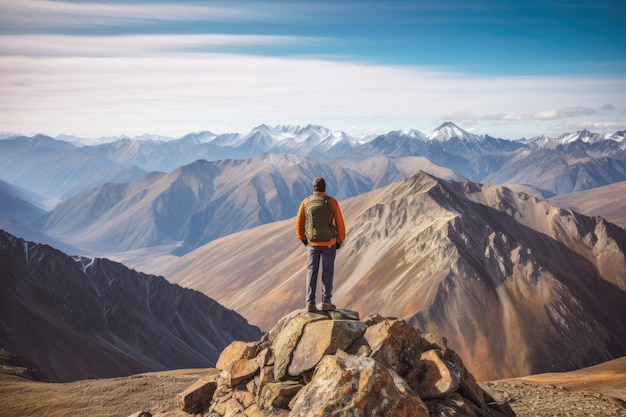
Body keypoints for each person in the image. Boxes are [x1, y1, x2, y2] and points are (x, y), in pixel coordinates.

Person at [295, 177, 346, 312]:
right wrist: (340, 239)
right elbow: (340, 223)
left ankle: (310, 303)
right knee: (327, 272)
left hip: (312, 244)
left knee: (312, 271)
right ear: (325, 188)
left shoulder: (306, 202)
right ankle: (326, 302)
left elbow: (299, 223)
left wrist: (304, 239)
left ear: (313, 188)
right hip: (329, 243)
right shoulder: (332, 202)